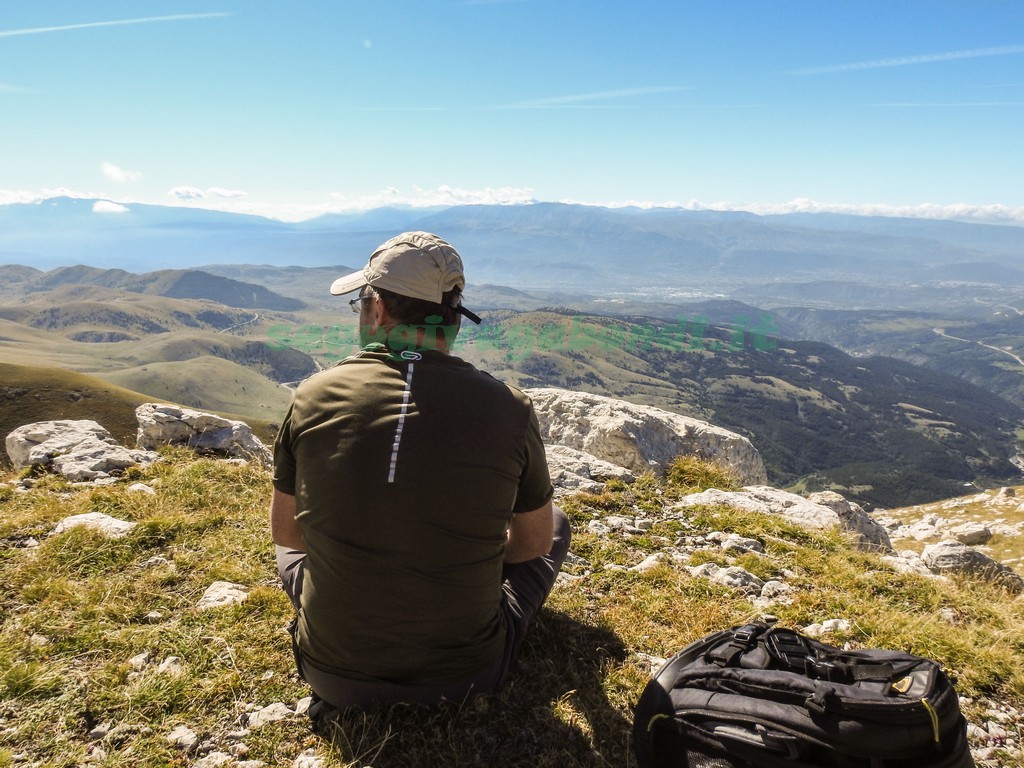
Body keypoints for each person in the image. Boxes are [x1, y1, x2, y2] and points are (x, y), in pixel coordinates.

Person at [270, 231, 571, 710]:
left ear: (379, 311)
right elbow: (533, 543)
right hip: (466, 677)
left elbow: (289, 532)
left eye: (362, 302)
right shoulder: (507, 407)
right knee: (554, 525)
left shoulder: (312, 395)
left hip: (331, 675)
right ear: (452, 320)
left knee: (293, 556)